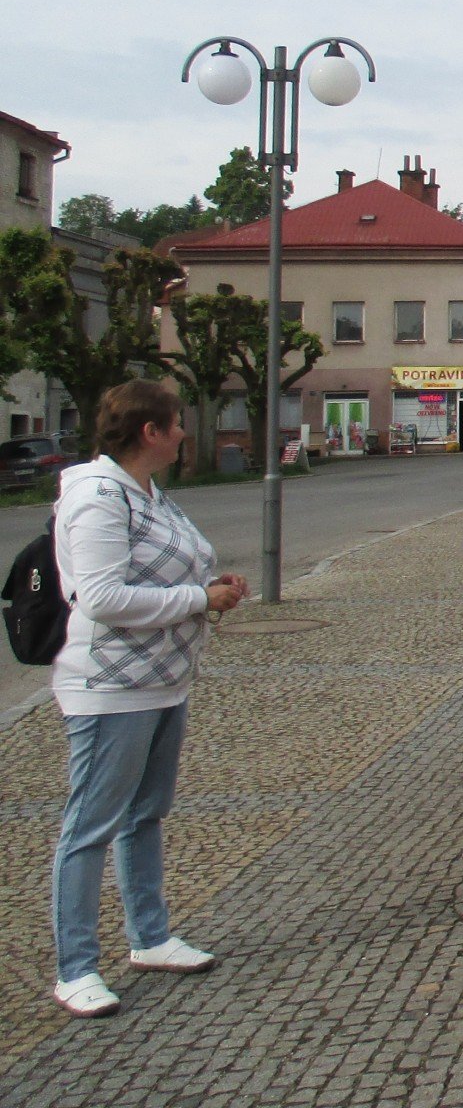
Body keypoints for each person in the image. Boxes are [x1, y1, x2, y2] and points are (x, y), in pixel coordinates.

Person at [49, 380, 246, 1017]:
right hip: (110, 689)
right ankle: (75, 968)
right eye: (177, 424)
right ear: (149, 433)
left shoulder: (150, 494)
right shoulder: (99, 499)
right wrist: (197, 600)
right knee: (90, 827)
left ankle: (150, 936)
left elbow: (163, 571)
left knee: (145, 813)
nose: (186, 432)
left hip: (162, 681)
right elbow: (100, 599)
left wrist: (210, 585)